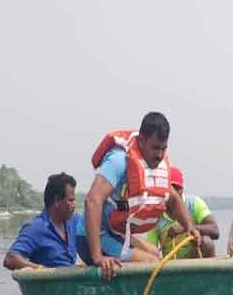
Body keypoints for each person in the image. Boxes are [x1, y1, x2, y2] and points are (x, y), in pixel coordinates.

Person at [77, 112, 201, 279]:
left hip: (116, 233)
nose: (159, 155)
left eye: (163, 148)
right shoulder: (119, 161)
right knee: (150, 262)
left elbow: (172, 198)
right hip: (91, 237)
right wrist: (98, 257)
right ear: (141, 142)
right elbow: (92, 201)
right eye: (155, 148)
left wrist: (190, 227)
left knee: (154, 252)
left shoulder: (157, 164)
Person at [3, 172, 80, 270]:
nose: (74, 205)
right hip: (49, 284)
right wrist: (42, 270)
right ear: (56, 200)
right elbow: (10, 259)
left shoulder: (73, 221)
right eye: (71, 200)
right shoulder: (36, 228)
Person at [145, 166, 218, 258]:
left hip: (195, 261)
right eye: (171, 190)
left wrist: (185, 229)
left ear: (182, 189)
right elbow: (150, 247)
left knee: (207, 242)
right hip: (170, 265)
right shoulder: (155, 215)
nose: (174, 194)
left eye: (177, 188)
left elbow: (215, 230)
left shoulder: (194, 203)